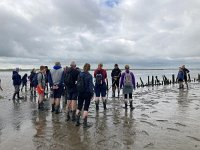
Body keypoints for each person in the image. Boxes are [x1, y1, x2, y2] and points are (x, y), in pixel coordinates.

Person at [75, 63, 94, 128]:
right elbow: (90, 86)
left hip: (80, 93)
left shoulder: (80, 74)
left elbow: (77, 83)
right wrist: (92, 94)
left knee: (79, 107)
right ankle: (85, 124)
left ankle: (77, 121)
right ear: (89, 68)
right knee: (86, 108)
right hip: (87, 93)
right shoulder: (89, 76)